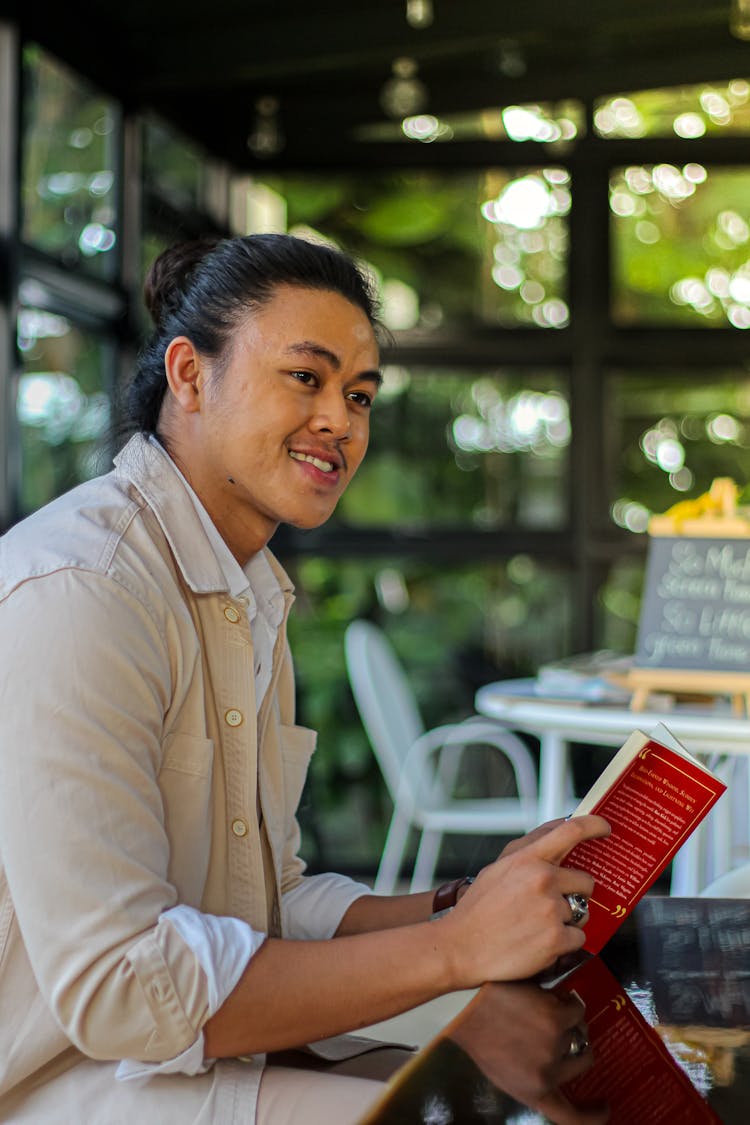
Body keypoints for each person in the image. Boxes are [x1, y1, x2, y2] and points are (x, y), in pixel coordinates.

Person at [0, 233, 609, 1124]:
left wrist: (456, 905)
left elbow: (269, 902)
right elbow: (121, 986)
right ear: (189, 374)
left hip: (171, 1058)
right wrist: (452, 949)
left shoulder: (249, 595)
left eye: (359, 395)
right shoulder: (82, 589)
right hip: (55, 1080)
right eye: (306, 378)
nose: (341, 420)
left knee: (521, 1067)